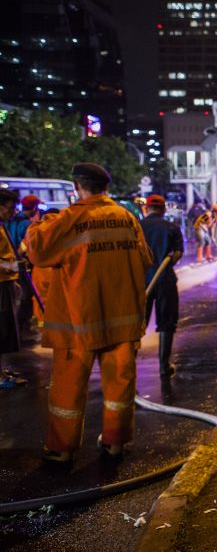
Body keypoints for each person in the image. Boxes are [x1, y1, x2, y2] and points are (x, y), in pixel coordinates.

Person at [26, 163, 152, 463]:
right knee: (120, 383)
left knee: (68, 387)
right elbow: (145, 259)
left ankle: (62, 448)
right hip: (122, 319)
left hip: (77, 320)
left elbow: (38, 252)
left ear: (77, 187)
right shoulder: (126, 218)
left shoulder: (70, 218)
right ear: (105, 187)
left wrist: (34, 224)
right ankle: (114, 443)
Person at [141, 195, 184, 378]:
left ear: (146, 209)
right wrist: (167, 263)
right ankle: (164, 367)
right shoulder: (172, 228)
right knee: (167, 322)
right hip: (165, 279)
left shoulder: (136, 227)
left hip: (142, 280)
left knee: (136, 324)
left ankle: (127, 368)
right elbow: (178, 253)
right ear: (164, 209)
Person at [8, 194, 41, 331]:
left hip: (9, 265)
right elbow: (28, 246)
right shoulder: (28, 225)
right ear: (34, 208)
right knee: (26, 296)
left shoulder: (9, 221)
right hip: (22, 264)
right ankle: (21, 326)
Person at [0, 189, 22, 388]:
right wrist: (11, 267)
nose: (12, 212)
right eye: (9, 208)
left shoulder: (2, 227)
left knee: (5, 329)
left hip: (5, 283)